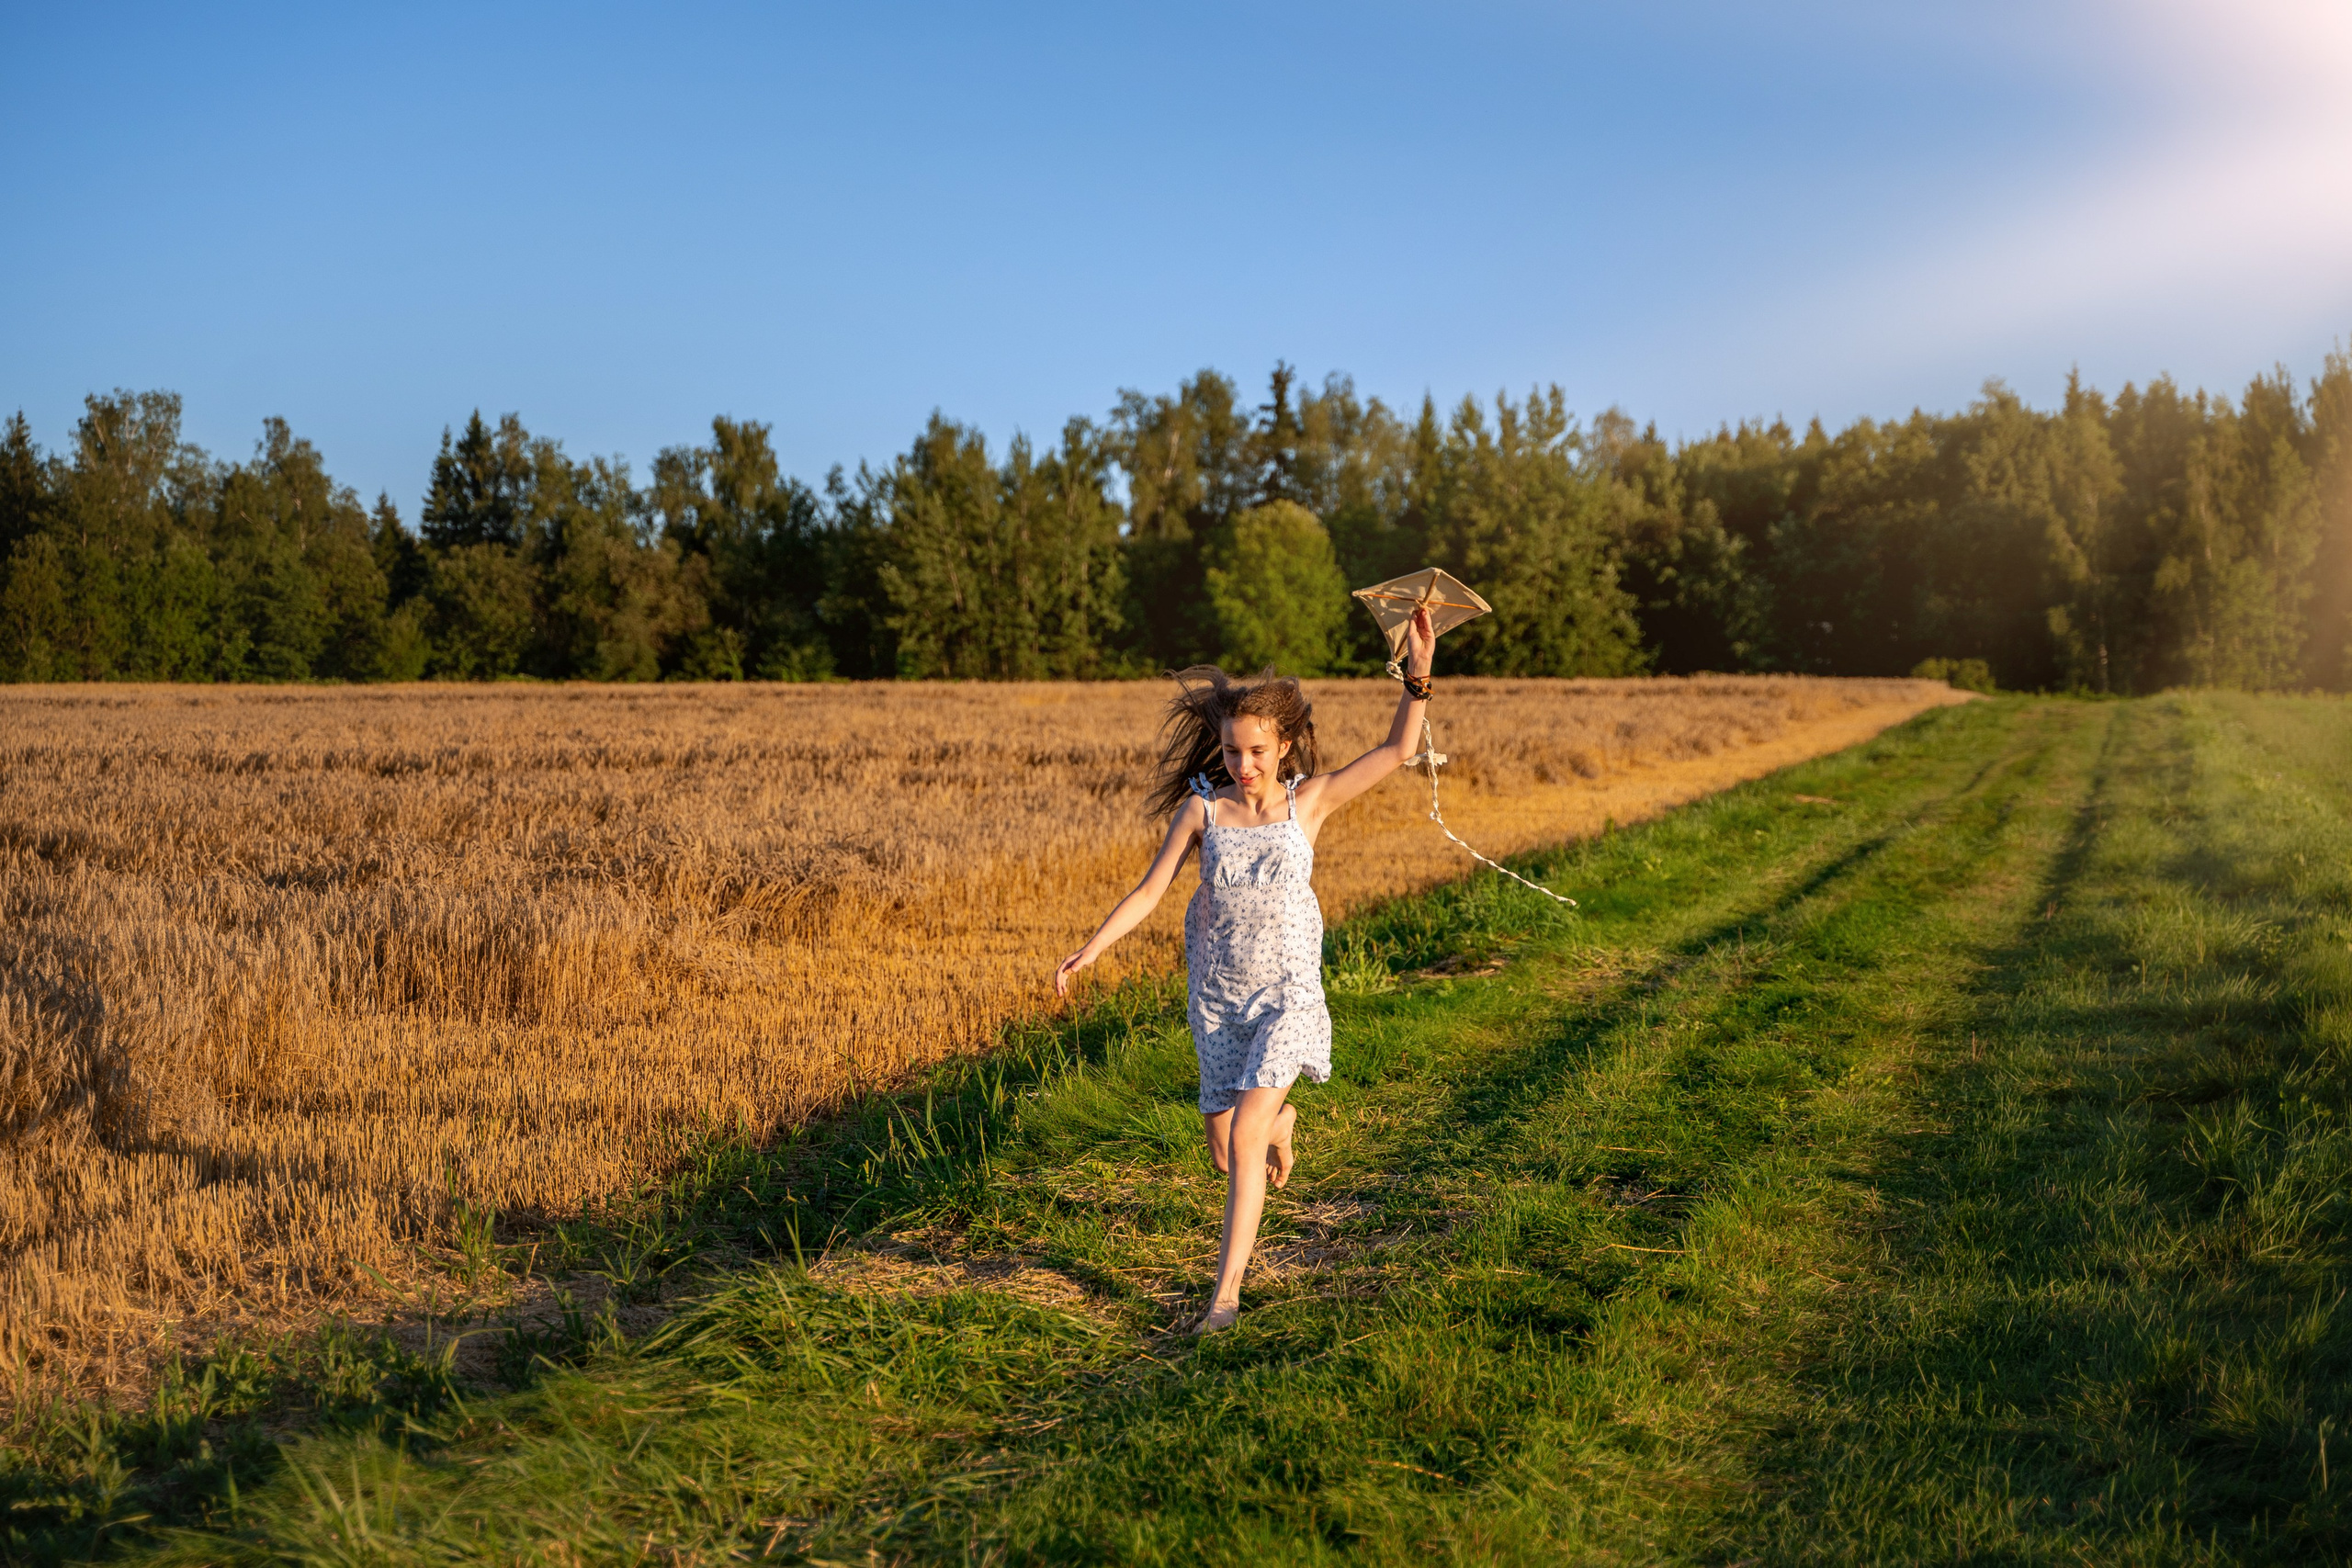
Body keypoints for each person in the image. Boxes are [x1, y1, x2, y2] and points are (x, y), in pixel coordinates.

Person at [1054, 605, 1441, 1333]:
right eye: (1232, 751)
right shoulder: (1204, 815)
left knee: (1245, 1133)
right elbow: (1149, 891)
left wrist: (1417, 673)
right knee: (1227, 1148)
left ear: (1284, 744)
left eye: (1258, 750)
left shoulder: (1310, 803)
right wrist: (1094, 947)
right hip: (1218, 998)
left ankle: (1224, 1299)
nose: (1244, 764)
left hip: (1287, 995)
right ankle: (1281, 1120)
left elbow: (1394, 751)